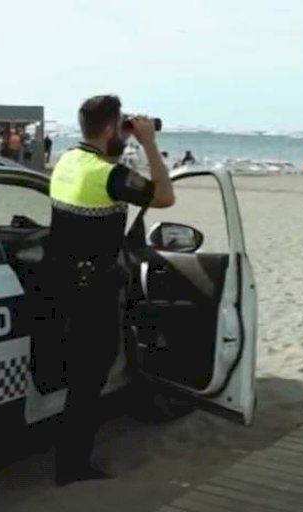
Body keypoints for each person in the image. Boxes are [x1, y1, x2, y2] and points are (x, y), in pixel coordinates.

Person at [48, 94, 175, 485]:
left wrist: (123, 139)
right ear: (108, 127)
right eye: (120, 125)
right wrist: (149, 143)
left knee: (78, 376)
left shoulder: (68, 161)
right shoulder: (109, 176)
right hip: (94, 291)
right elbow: (165, 196)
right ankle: (72, 466)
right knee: (89, 380)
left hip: (62, 283)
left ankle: (69, 457)